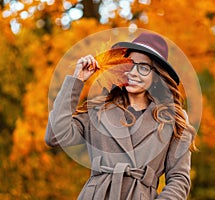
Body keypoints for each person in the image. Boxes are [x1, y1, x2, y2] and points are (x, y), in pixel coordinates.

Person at [45, 32, 197, 200]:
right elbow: (54, 136)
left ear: (156, 77)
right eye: (129, 64)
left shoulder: (173, 120)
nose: (133, 72)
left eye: (144, 67)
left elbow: (179, 180)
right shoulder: (98, 108)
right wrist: (76, 81)